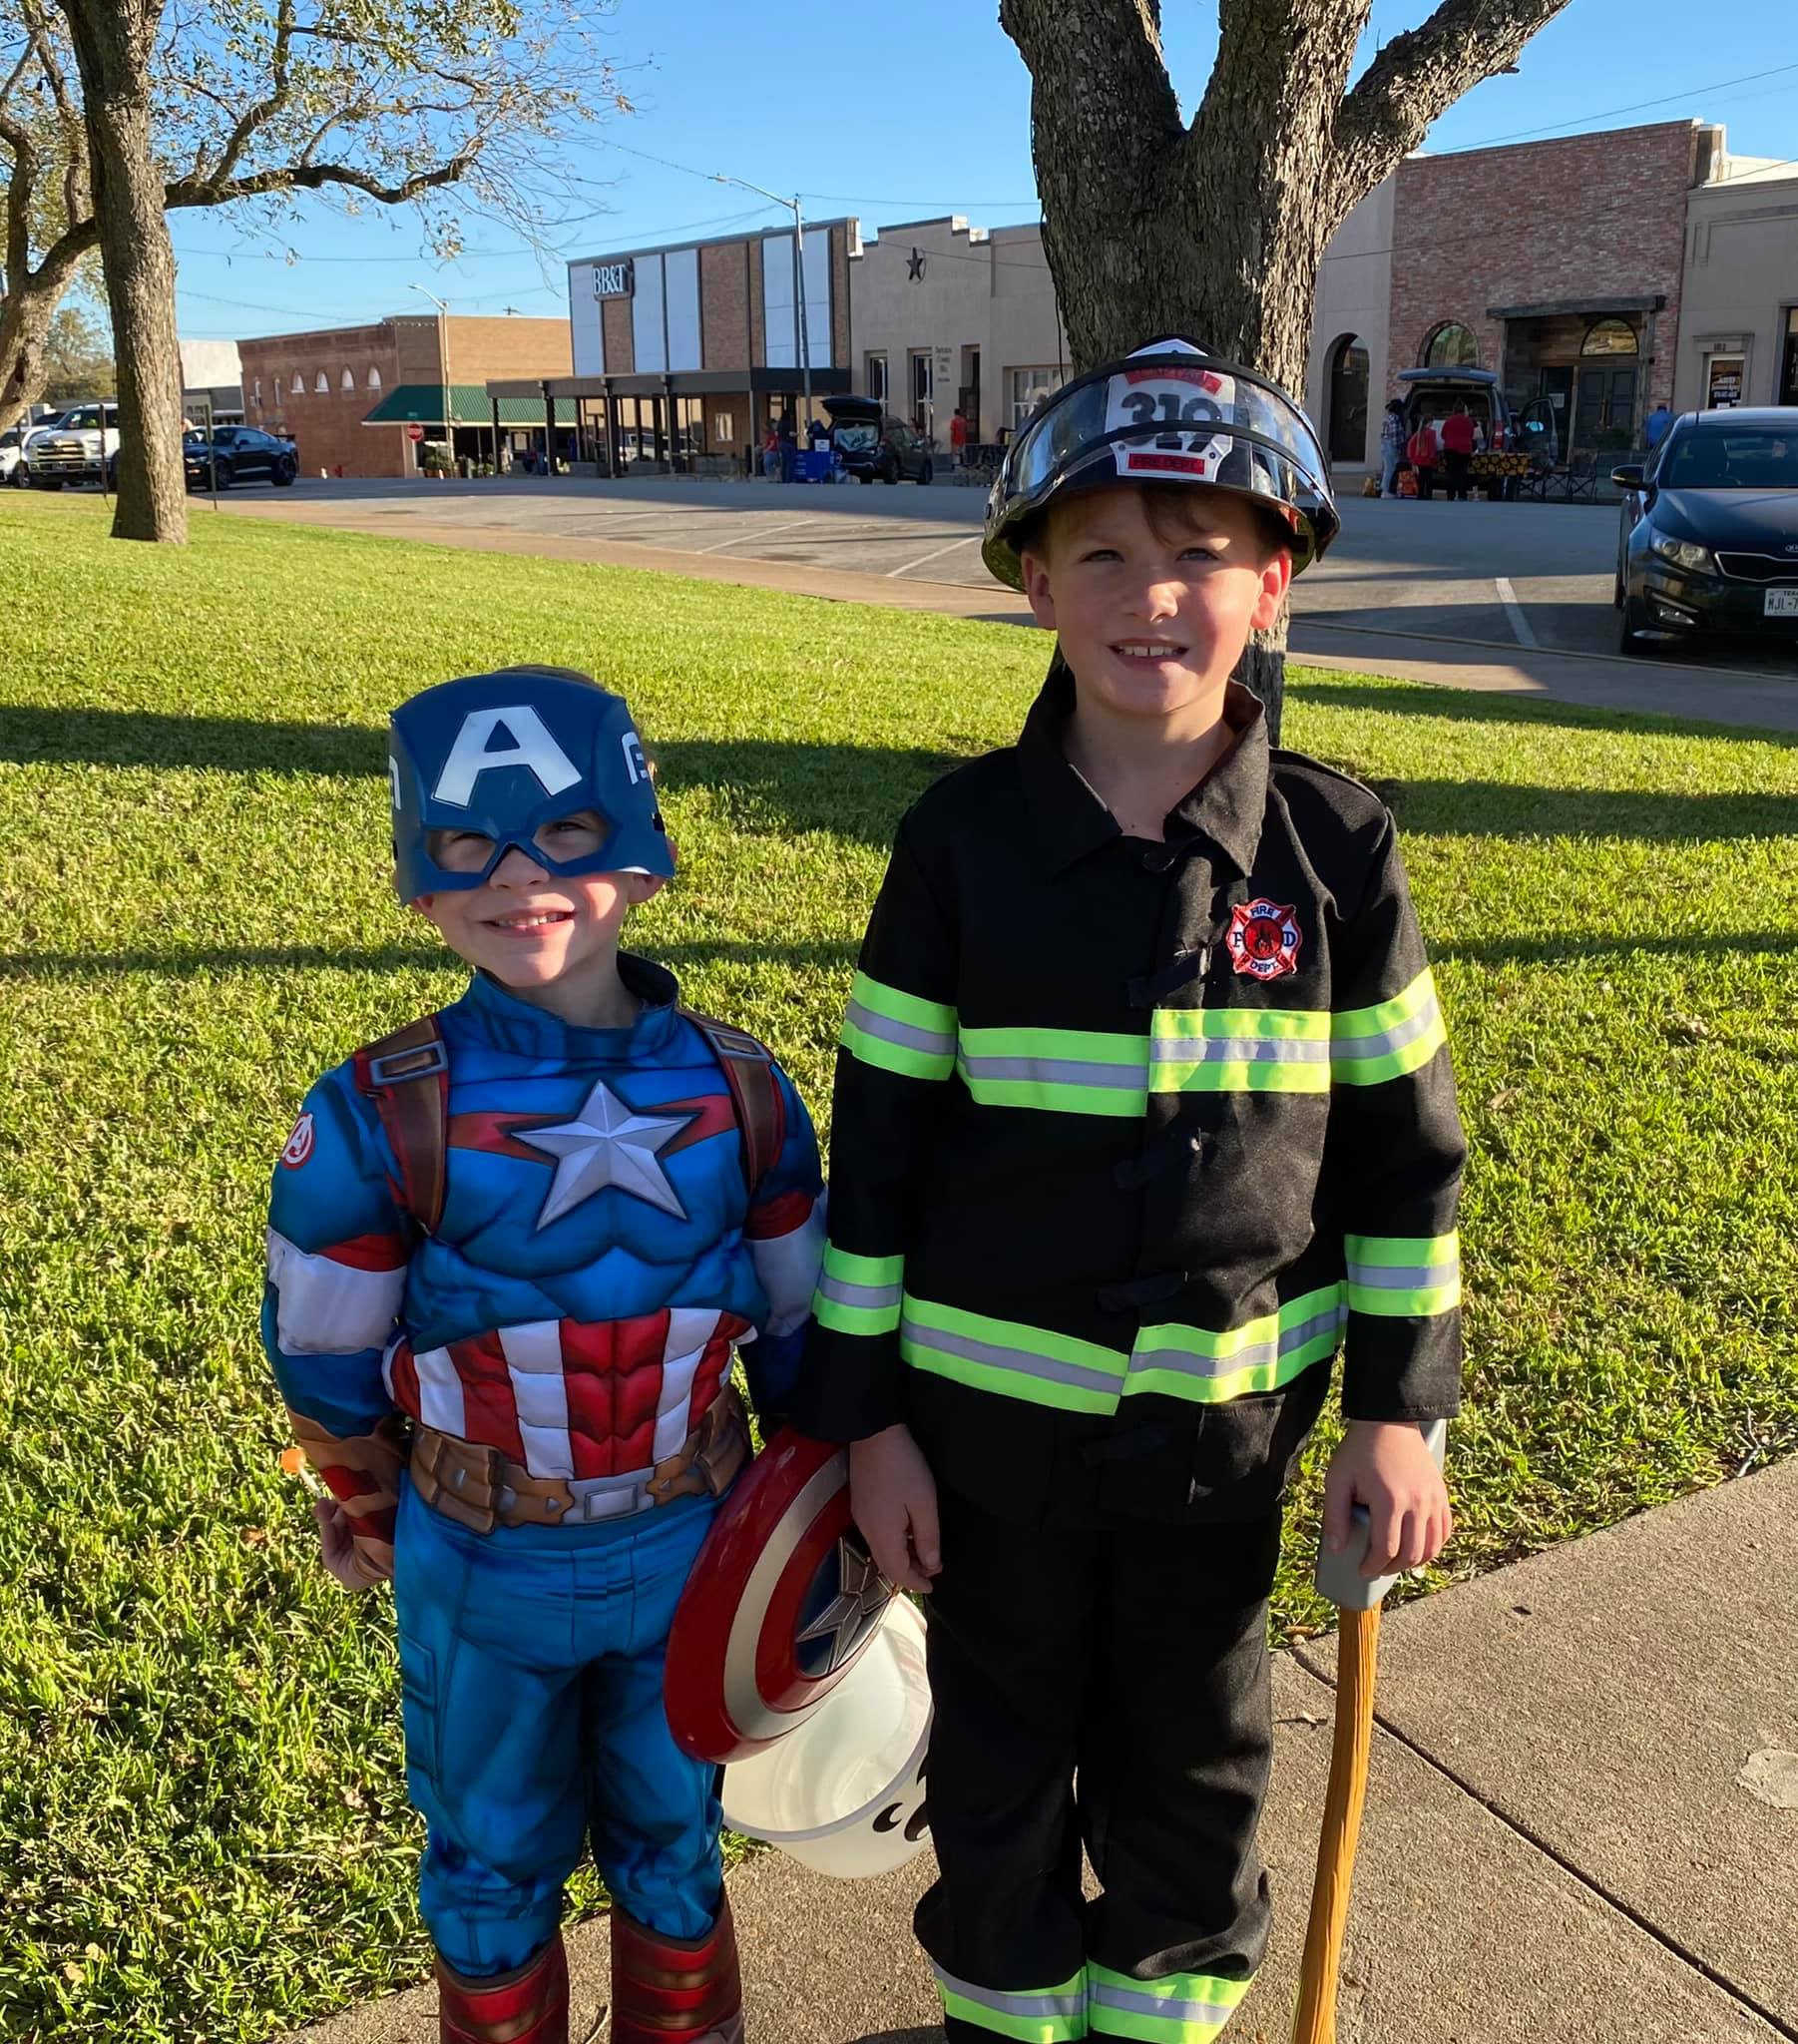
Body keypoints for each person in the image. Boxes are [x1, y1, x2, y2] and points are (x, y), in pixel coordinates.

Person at [795, 338, 1465, 2044]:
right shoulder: (955, 847)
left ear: (1274, 584)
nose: (1147, 594)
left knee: (1193, 1768)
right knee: (999, 1771)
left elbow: (1404, 1164)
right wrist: (868, 1426)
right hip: (982, 1456)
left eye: (1198, 552)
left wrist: (1398, 1415)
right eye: (1097, 551)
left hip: (1219, 1455)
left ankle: (1160, 2025)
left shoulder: (1337, 855)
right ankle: (1007, 2024)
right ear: (1031, 582)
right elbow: (875, 1159)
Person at [264, 666, 824, 2044]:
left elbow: (800, 1337)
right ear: (420, 882)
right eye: (469, 845)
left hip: (691, 1544)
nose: (520, 878)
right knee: (486, 1872)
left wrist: (816, 1528)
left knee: (675, 1853)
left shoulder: (744, 1087)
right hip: (482, 1559)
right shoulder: (375, 1108)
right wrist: (365, 1503)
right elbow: (323, 1354)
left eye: (566, 834)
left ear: (640, 855)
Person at [1438, 401, 1476, 501]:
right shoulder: (1469, 421)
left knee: (1451, 472)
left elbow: (1443, 434)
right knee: (1462, 472)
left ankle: (1450, 494)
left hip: (1450, 449)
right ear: (1464, 410)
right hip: (1465, 449)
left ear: (1453, 410)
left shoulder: (1449, 420)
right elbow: (1471, 435)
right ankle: (1462, 495)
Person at [1406, 413, 1441, 499]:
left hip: (1418, 460)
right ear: (1430, 422)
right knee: (1428, 480)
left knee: (1420, 480)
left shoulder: (1417, 433)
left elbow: (1410, 445)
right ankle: (1428, 495)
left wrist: (1412, 459)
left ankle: (1420, 495)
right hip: (1428, 460)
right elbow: (1432, 447)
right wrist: (1435, 458)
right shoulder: (1431, 433)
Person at [1378, 397, 1407, 496]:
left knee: (1386, 468)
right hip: (1391, 446)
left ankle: (1383, 489)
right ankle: (1386, 491)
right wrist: (1398, 448)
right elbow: (1394, 435)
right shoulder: (1395, 418)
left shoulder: (1388, 417)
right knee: (1390, 469)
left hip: (1385, 444)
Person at [950, 406, 971, 471]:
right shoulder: (964, 421)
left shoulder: (954, 421)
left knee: (956, 453)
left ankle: (956, 466)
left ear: (955, 413)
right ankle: (965, 465)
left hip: (956, 440)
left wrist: (951, 440)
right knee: (963, 453)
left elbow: (952, 432)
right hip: (963, 440)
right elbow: (966, 430)